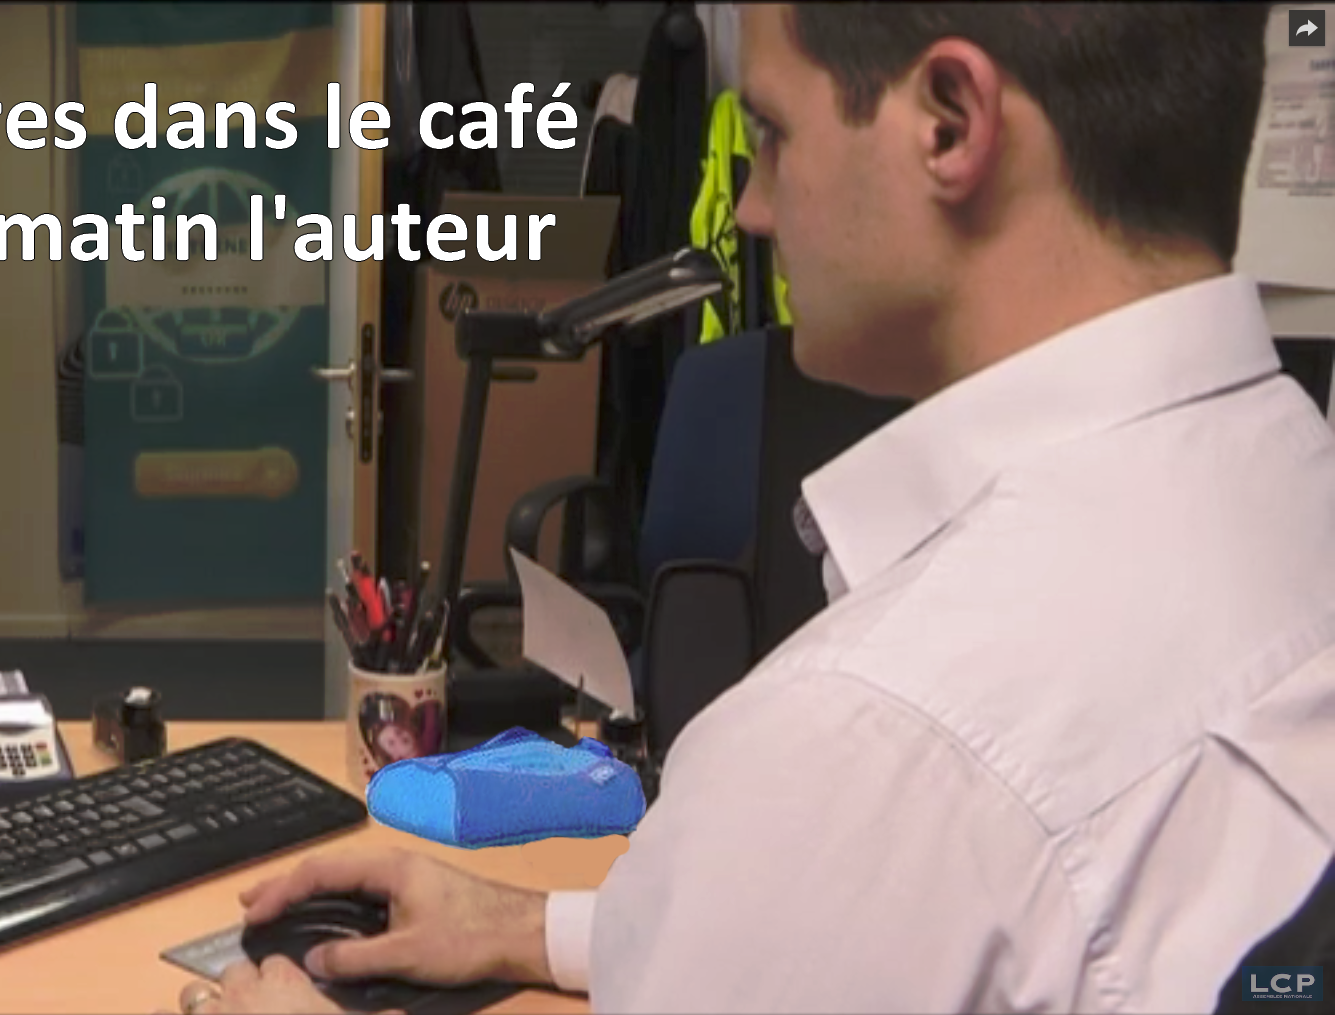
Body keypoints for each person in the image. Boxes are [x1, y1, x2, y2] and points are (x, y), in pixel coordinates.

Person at [174, 3, 1335, 1011]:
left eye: (772, 135)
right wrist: (536, 926)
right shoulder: (1292, 483)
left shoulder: (861, 746)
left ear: (949, 124)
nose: (749, 209)